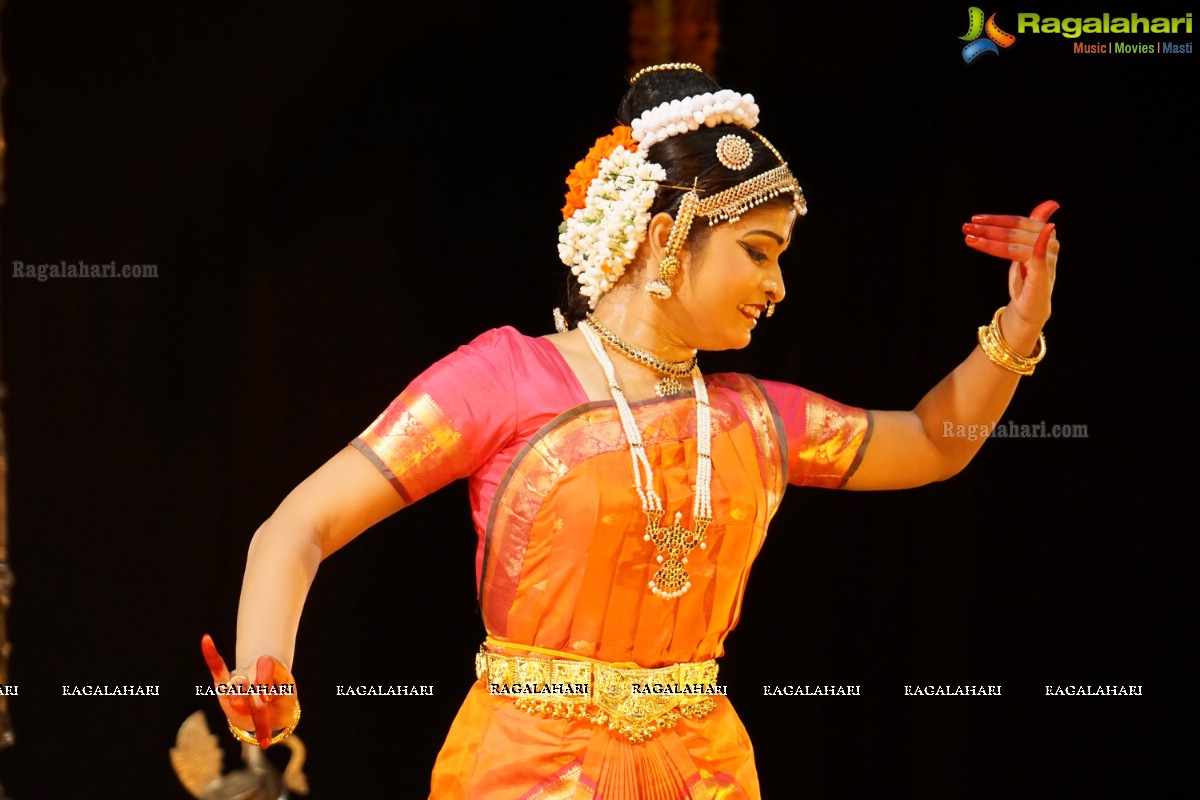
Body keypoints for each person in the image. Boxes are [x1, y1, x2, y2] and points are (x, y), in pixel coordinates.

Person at [201, 63, 1060, 798]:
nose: (778, 285)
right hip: (526, 772)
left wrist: (1017, 331)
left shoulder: (752, 417)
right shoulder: (505, 380)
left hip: (705, 772)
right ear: (666, 236)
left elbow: (931, 443)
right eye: (759, 251)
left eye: (782, 256)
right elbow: (296, 529)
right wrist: (264, 665)